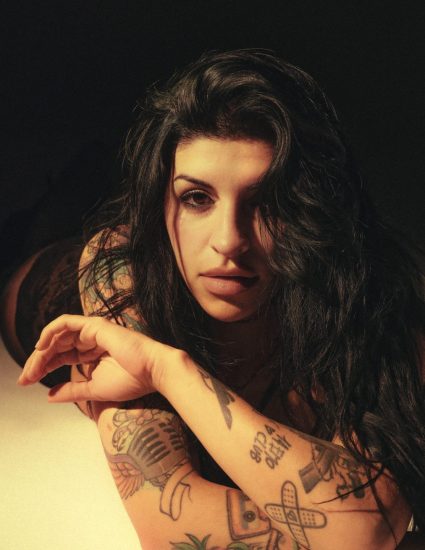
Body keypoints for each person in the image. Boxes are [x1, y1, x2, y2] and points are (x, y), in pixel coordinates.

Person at [3, 49, 425, 549]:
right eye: (197, 198)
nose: (229, 241)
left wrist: (166, 369)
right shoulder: (122, 271)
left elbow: (363, 531)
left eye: (266, 203)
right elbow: (166, 527)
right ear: (161, 205)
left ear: (310, 210)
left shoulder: (376, 296)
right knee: (39, 225)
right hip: (41, 273)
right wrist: (326, 524)